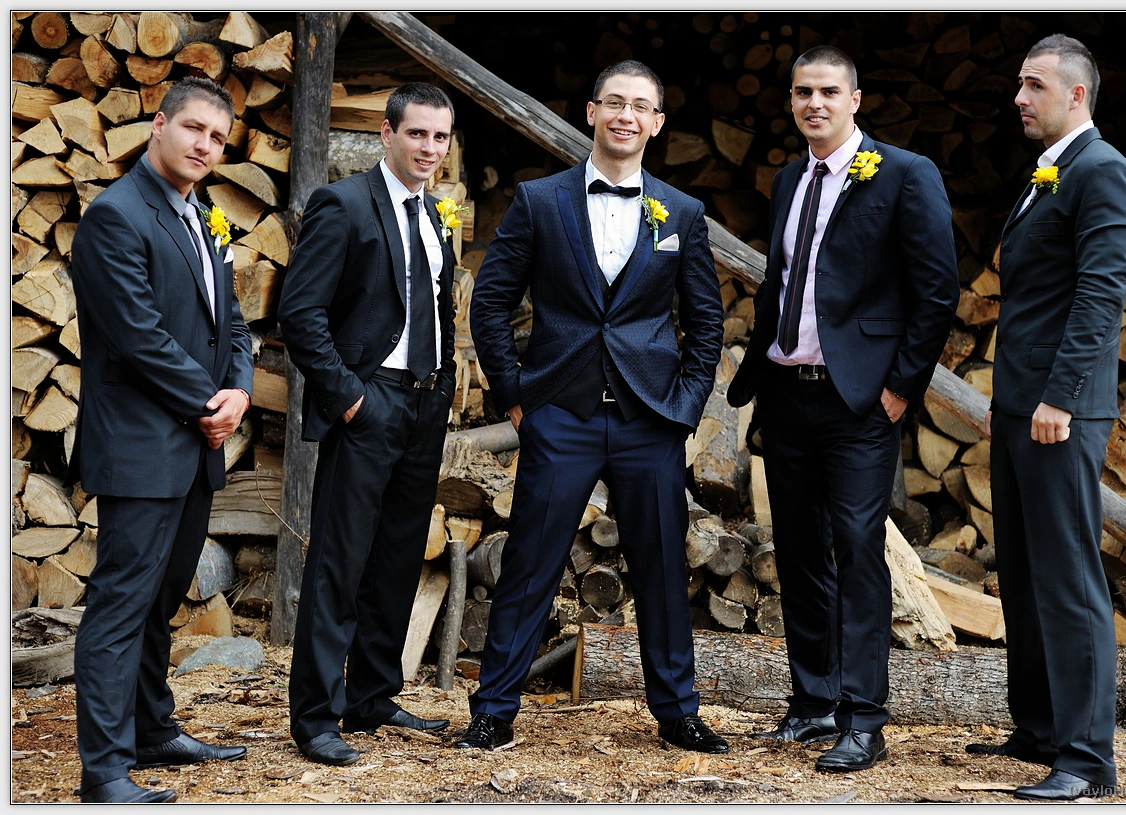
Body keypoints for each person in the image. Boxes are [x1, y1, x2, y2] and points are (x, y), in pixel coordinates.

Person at [463, 60, 726, 754]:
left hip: (650, 420)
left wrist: (684, 408)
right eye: (614, 102)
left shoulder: (682, 212)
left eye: (640, 106)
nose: (625, 116)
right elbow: (490, 303)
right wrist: (513, 394)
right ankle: (493, 710)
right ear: (590, 112)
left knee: (662, 569)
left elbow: (706, 323)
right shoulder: (539, 200)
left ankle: (677, 711)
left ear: (656, 123)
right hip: (559, 414)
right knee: (529, 563)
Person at [727, 46, 959, 772]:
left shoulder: (903, 173)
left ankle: (863, 719)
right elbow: (783, 280)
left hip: (859, 399)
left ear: (855, 100)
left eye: (829, 91)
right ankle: (814, 701)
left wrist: (900, 387)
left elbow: (936, 290)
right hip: (785, 391)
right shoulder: (789, 178)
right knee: (797, 549)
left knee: (858, 548)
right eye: (803, 92)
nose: (814, 104)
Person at [965, 34, 1126, 802]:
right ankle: (1037, 728)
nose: (1018, 97)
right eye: (1018, 83)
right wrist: (1007, 401)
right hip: (1019, 406)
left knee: (1068, 578)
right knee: (1023, 573)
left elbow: (1100, 297)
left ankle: (1086, 759)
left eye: (1032, 85)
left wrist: (1059, 398)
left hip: (1058, 412)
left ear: (1075, 94)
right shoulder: (1049, 171)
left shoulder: (1102, 171)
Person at [69, 76, 252, 804]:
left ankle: (152, 730)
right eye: (194, 128)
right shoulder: (116, 216)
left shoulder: (205, 216)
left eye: (218, 138)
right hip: (143, 446)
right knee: (121, 606)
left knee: (160, 599)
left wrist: (240, 391)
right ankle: (105, 769)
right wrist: (209, 402)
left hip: (197, 445)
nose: (205, 145)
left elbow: (232, 322)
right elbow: (137, 336)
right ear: (158, 124)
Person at [277, 82, 458, 766]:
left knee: (397, 557)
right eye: (417, 133)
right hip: (370, 400)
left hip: (424, 403)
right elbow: (301, 313)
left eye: (439, 137)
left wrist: (441, 389)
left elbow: (434, 309)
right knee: (340, 561)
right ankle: (316, 717)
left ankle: (374, 695)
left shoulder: (434, 214)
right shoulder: (343, 203)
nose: (428, 148)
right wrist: (351, 397)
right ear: (386, 134)